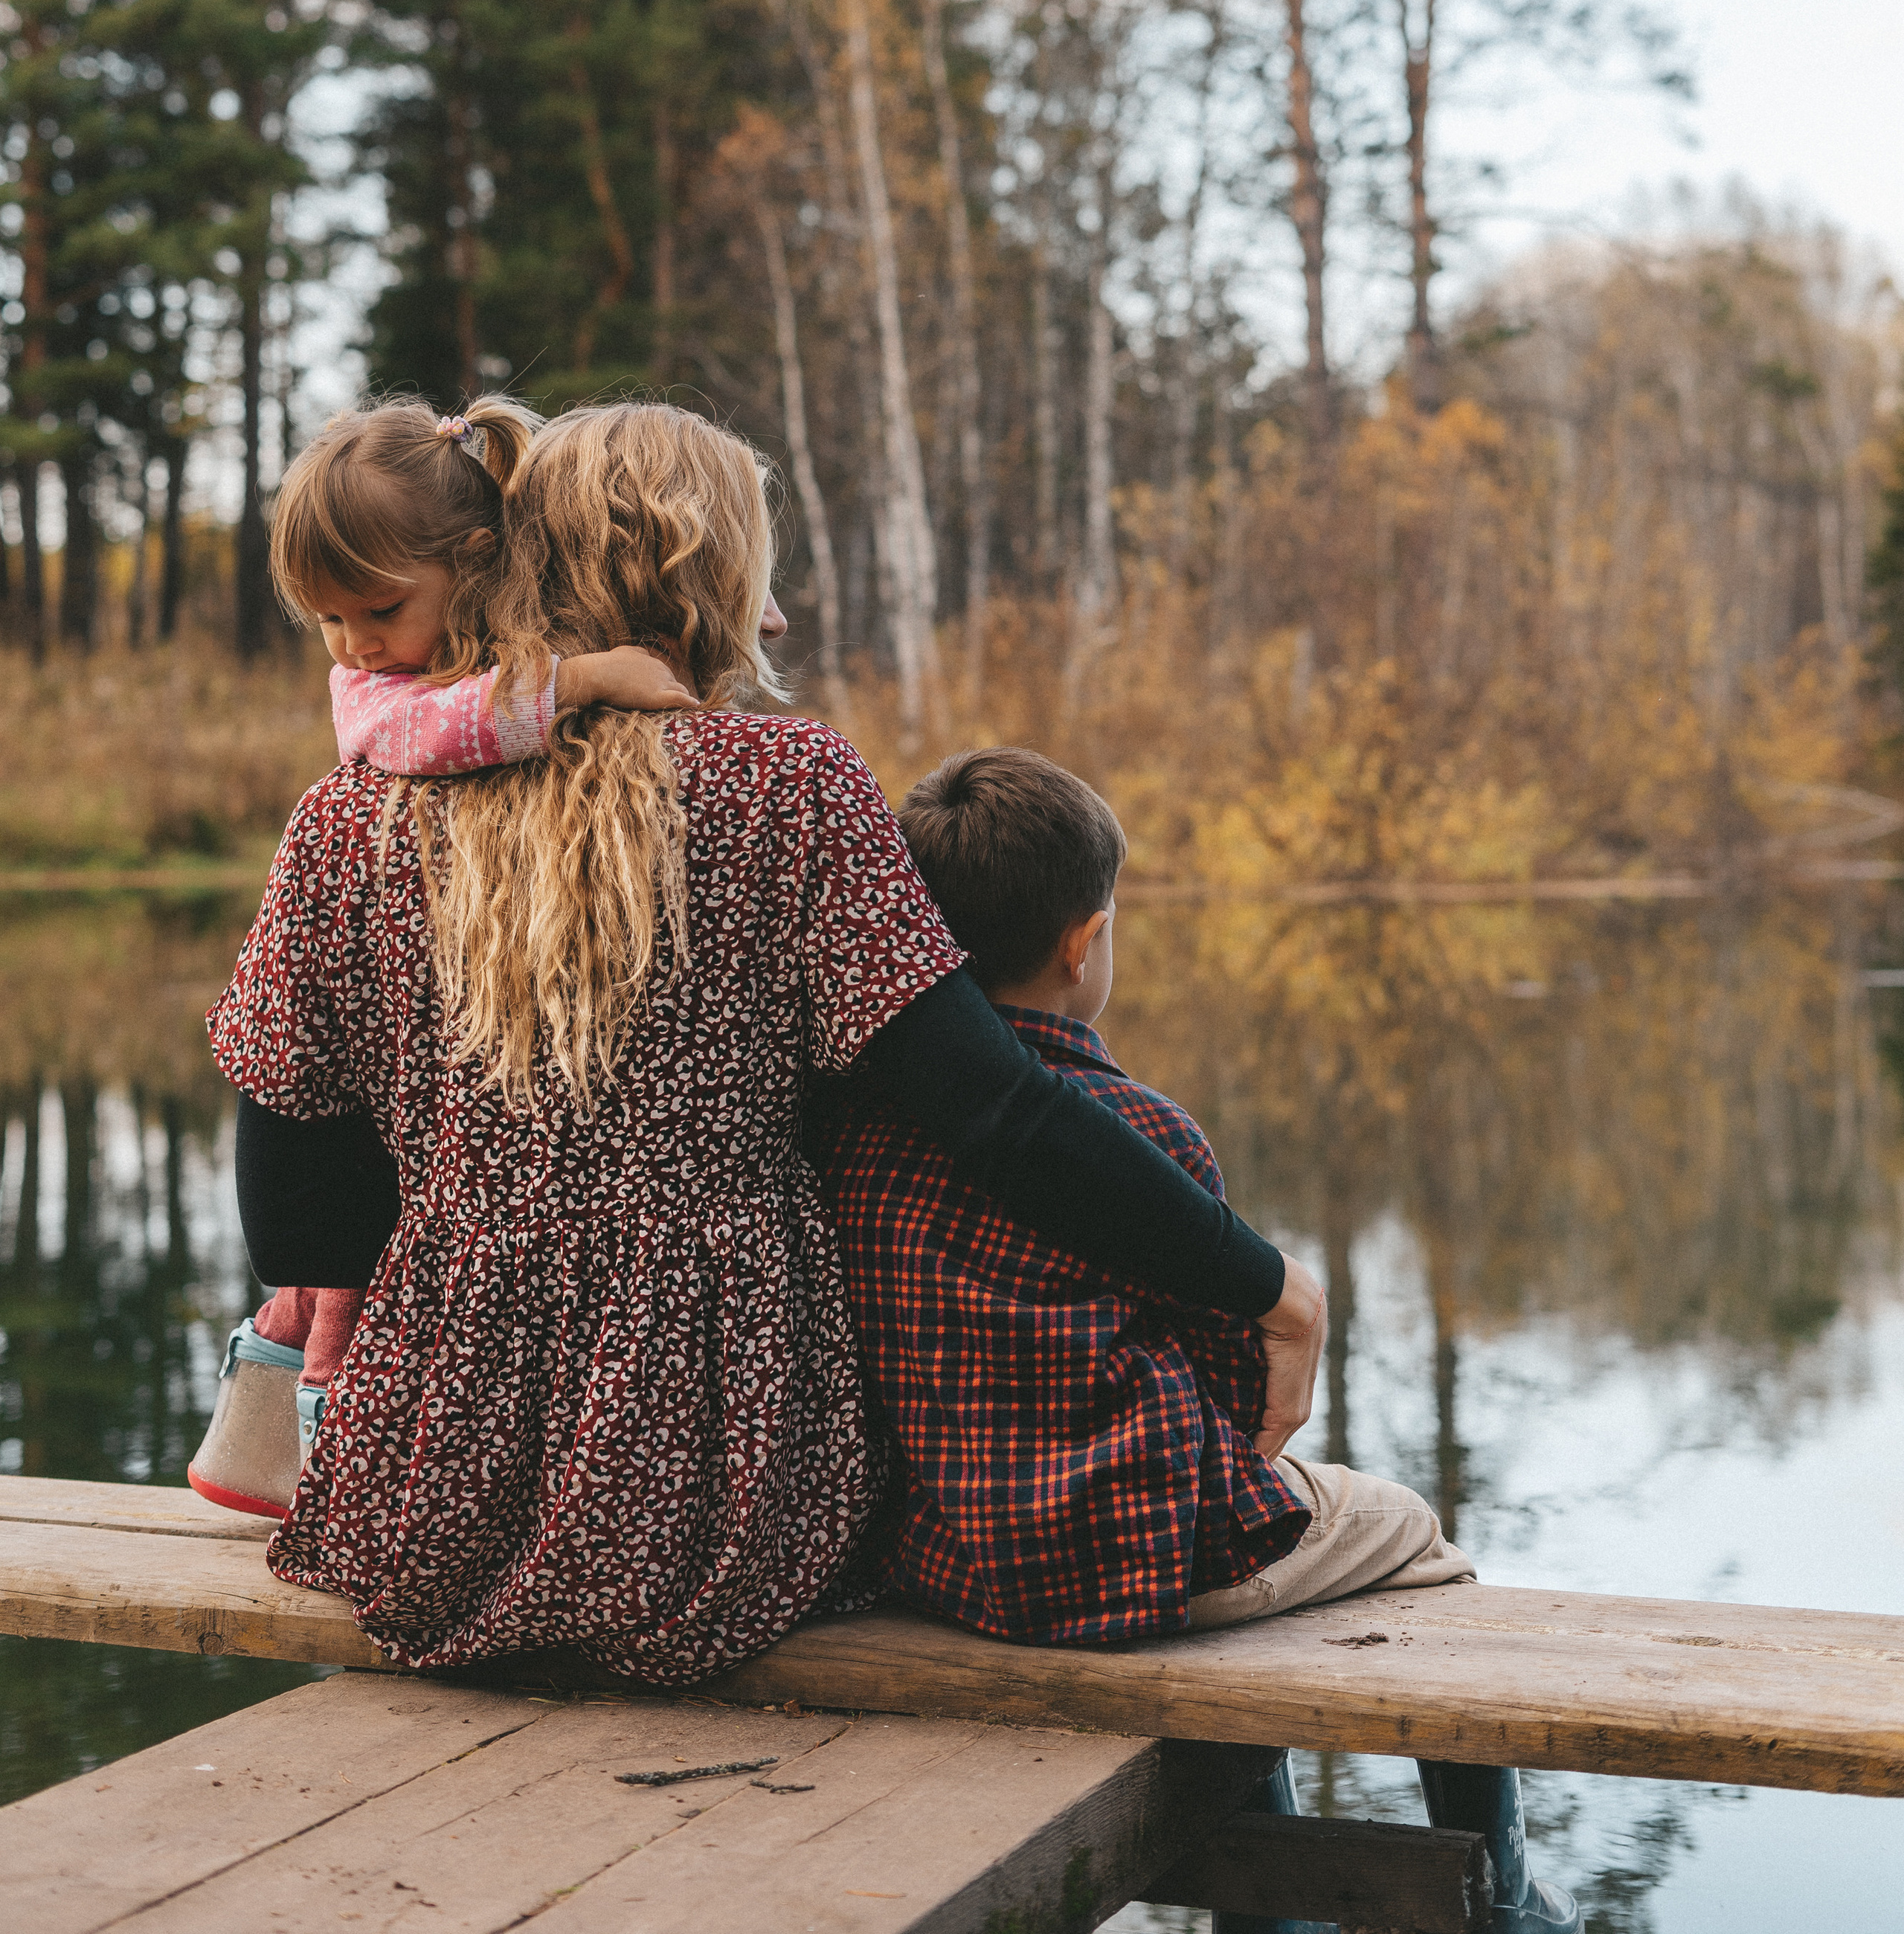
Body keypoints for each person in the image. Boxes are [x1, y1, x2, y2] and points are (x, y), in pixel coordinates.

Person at [205, 399, 1318, 1688]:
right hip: (734, 1516)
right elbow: (1000, 1114)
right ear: (717, 576)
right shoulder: (791, 787)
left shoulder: (348, 815)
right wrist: (1264, 1285)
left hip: (429, 1511)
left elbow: (293, 1221)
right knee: (1288, 1529)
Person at [817, 745, 1577, 1934]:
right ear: (1085, 942)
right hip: (1116, 1562)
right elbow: (1240, 1399)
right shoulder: (1140, 1138)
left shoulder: (861, 1130)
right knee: (1412, 1536)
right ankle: (1512, 1905)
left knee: (1260, 1556)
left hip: (945, 1559)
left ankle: (1268, 1911)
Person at [189, 399, 697, 1517]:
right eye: (329, 619)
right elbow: (427, 736)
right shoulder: (382, 705)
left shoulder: (498, 656)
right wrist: (588, 681)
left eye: (380, 610)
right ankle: (326, 1449)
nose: (355, 646)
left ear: (474, 563)